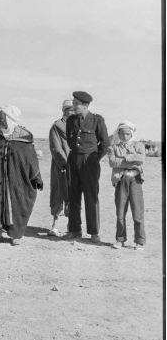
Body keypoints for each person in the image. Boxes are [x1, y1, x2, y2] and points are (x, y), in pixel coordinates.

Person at [0, 105, 43, 246]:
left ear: (9, 118)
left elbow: (31, 157)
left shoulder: (24, 135)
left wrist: (36, 176)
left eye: (1, 117)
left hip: (17, 179)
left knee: (18, 203)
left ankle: (16, 235)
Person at [64, 91, 109, 243]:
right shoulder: (71, 120)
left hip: (90, 162)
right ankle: (74, 230)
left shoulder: (96, 120)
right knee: (73, 195)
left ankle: (94, 232)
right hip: (73, 159)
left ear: (85, 105)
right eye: (73, 103)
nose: (74, 106)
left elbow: (105, 143)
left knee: (91, 196)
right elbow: (70, 139)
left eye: (76, 104)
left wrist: (94, 158)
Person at [107, 121, 146, 250]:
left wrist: (124, 159)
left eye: (127, 134)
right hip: (120, 181)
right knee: (120, 212)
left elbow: (141, 159)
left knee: (137, 212)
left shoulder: (138, 145)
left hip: (135, 180)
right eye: (122, 134)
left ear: (131, 134)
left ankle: (139, 241)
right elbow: (113, 162)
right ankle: (120, 239)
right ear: (118, 134)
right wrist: (131, 162)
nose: (125, 136)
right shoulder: (113, 147)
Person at [47, 99, 75, 236]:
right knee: (58, 193)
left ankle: (71, 225)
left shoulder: (77, 126)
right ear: (64, 110)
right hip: (60, 165)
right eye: (70, 109)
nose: (73, 111)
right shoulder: (57, 126)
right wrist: (64, 163)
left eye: (74, 109)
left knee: (71, 193)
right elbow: (55, 146)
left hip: (74, 166)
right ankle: (55, 224)